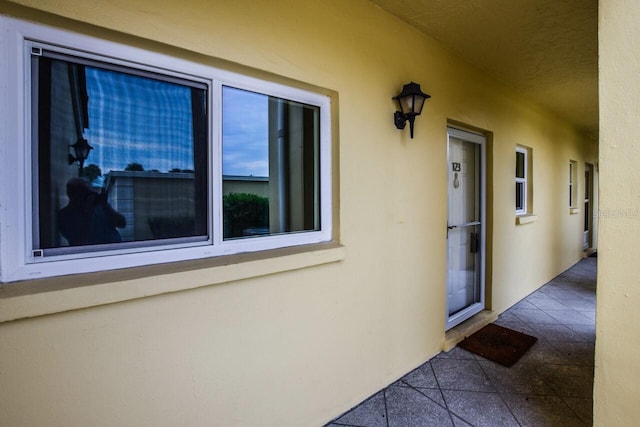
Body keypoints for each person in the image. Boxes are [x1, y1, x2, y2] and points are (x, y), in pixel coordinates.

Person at [58, 177, 126, 246]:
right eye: (86, 193)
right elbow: (79, 241)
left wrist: (105, 206)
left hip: (115, 250)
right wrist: (88, 212)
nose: (92, 195)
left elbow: (122, 223)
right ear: (73, 195)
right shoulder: (65, 215)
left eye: (92, 192)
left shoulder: (100, 206)